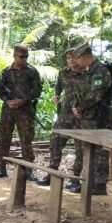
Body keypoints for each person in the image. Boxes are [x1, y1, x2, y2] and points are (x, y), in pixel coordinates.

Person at [66, 43, 112, 195]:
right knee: (86, 150)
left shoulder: (100, 71)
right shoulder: (87, 71)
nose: (75, 61)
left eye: (77, 58)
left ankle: (99, 184)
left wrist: (80, 108)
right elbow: (78, 91)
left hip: (97, 118)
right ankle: (88, 181)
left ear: (84, 57)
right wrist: (75, 107)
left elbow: (96, 94)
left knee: (99, 151)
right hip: (85, 117)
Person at [0, 46, 42, 179]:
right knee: (4, 137)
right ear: (14, 56)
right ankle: (2, 167)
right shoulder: (6, 72)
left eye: (26, 56)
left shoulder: (32, 72)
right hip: (9, 110)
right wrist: (7, 101)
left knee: (26, 139)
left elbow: (37, 90)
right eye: (21, 57)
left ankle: (28, 170)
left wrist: (24, 100)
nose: (24, 59)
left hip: (25, 110)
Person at [37, 49, 84, 186]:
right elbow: (58, 86)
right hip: (64, 113)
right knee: (56, 143)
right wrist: (56, 95)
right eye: (69, 58)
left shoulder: (87, 73)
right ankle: (52, 174)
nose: (71, 61)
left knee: (80, 148)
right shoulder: (63, 72)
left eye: (74, 58)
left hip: (81, 115)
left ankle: (76, 178)